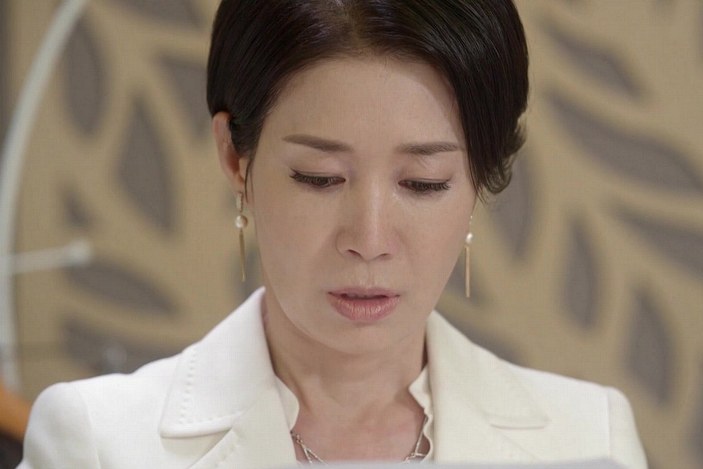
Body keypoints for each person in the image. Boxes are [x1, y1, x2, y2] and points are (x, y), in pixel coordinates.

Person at [19, 1, 647, 467]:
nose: (369, 240)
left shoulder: (587, 437)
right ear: (236, 158)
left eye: (423, 183)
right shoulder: (99, 444)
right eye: (319, 178)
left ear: (478, 177)